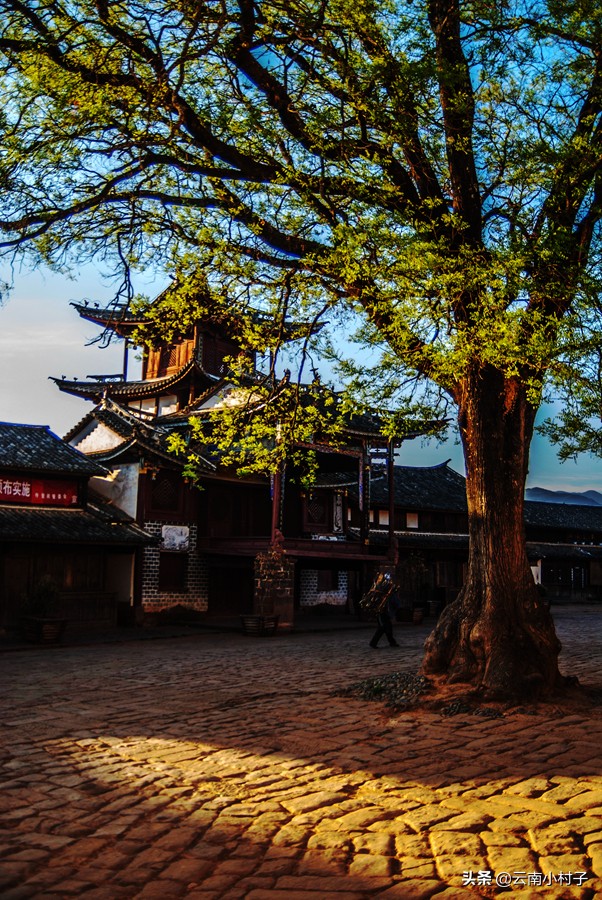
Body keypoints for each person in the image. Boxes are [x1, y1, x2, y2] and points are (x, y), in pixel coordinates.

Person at [369, 580, 401, 648]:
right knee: (382, 628)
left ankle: (392, 642)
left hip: (385, 614)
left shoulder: (389, 595)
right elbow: (397, 604)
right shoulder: (386, 595)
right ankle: (373, 643)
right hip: (381, 613)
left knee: (388, 628)